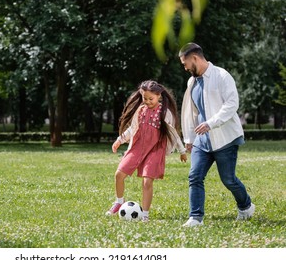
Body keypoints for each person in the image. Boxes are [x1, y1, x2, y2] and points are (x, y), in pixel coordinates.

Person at [178, 42, 255, 227]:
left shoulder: (222, 76)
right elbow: (191, 112)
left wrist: (211, 123)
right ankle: (195, 218)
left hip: (225, 139)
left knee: (228, 179)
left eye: (185, 63)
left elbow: (232, 104)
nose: (185, 67)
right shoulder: (192, 82)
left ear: (194, 58)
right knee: (195, 176)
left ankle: (246, 206)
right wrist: (189, 139)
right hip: (202, 141)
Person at [105, 80, 187, 222]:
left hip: (155, 150)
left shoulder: (164, 113)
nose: (148, 101)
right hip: (138, 147)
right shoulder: (140, 110)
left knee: (147, 182)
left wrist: (182, 150)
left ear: (159, 96)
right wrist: (120, 140)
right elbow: (132, 129)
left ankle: (145, 214)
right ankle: (119, 202)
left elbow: (172, 133)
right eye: (145, 98)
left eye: (151, 99)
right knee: (119, 174)